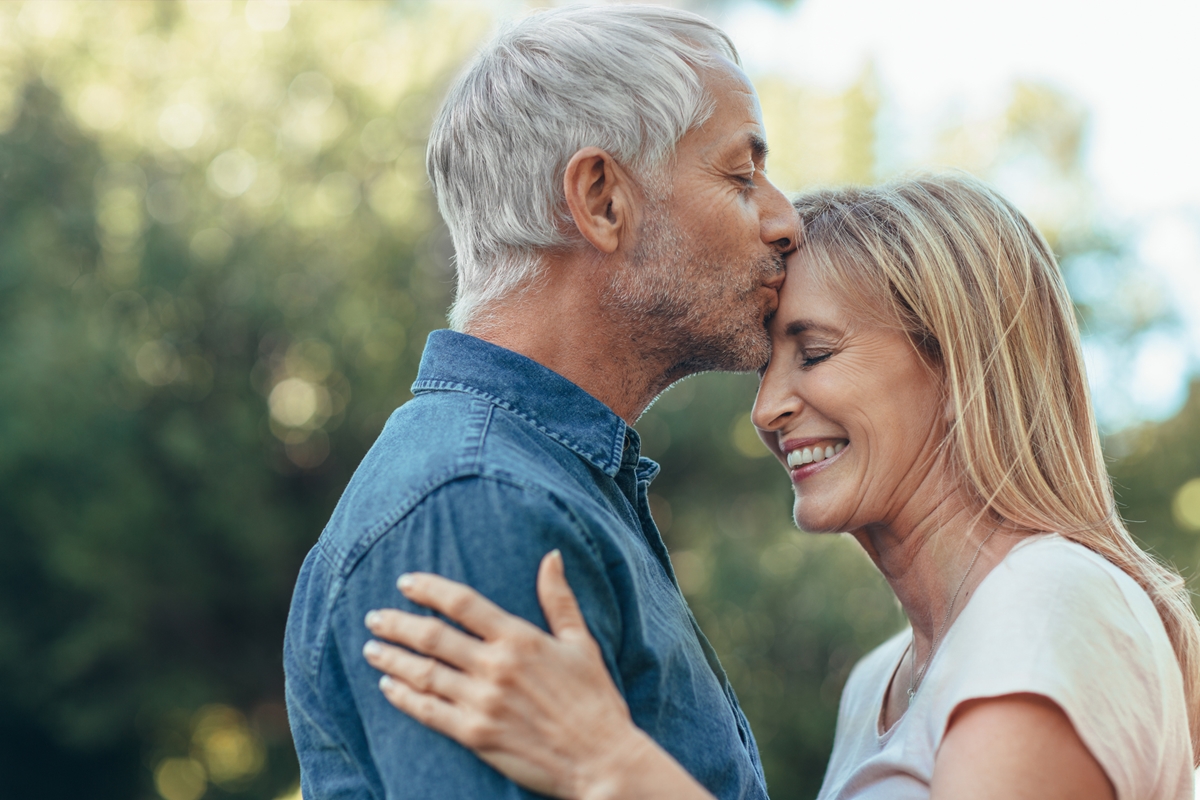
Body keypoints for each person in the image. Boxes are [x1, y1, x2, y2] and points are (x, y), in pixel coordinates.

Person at [360, 174, 1200, 800]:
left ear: (958, 367)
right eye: (769, 366)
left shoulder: (1048, 600)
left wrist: (608, 763)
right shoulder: (878, 684)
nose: (767, 408)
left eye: (818, 353)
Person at [282, 5, 798, 799]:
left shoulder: (547, 486)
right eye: (740, 174)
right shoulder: (481, 503)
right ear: (600, 199)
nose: (784, 219)